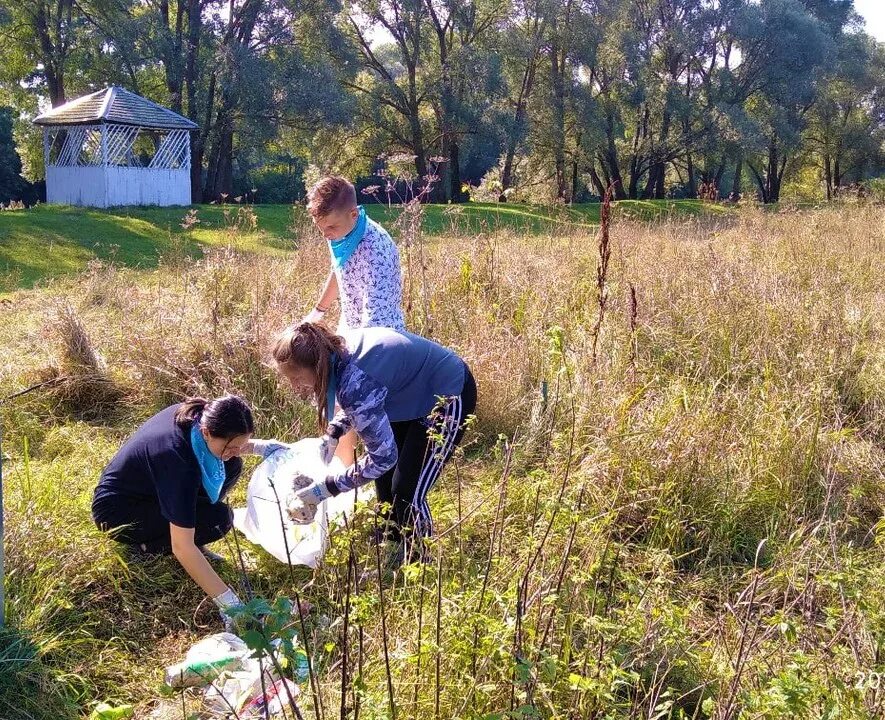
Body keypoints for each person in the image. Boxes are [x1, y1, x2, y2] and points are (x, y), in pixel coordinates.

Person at [270, 322, 477, 566]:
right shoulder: (332, 353)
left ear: (317, 366)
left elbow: (382, 455)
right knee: (385, 481)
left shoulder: (354, 377)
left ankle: (422, 563)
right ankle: (393, 543)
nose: (296, 386)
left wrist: (326, 488)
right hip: (406, 395)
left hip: (446, 394)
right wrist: (334, 432)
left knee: (408, 491)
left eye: (297, 378)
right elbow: (365, 401)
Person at [91, 395, 282, 630]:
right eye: (230, 446)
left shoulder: (198, 416)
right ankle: (145, 547)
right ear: (206, 433)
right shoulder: (178, 461)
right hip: (119, 512)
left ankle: (184, 525)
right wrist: (231, 606)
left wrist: (262, 447)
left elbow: (233, 448)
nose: (237, 450)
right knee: (216, 521)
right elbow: (183, 547)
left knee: (232, 465)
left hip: (151, 490)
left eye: (240, 445)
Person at [302, 175, 407, 466]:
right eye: (320, 229)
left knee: (368, 412)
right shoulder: (342, 236)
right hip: (351, 329)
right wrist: (319, 311)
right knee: (335, 402)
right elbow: (339, 270)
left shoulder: (376, 250)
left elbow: (377, 322)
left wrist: (350, 360)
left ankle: (377, 475)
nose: (326, 235)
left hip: (380, 340)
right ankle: (343, 471)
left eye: (330, 227)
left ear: (353, 213)